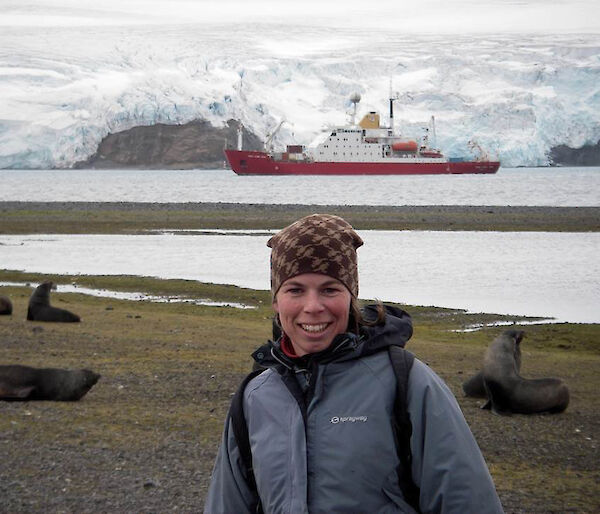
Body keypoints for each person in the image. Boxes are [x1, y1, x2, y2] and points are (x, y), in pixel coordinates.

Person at [204, 213, 504, 513]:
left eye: (329, 289)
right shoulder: (254, 398)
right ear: (275, 300)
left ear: (351, 297)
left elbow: (467, 501)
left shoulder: (408, 383)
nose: (312, 307)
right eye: (295, 290)